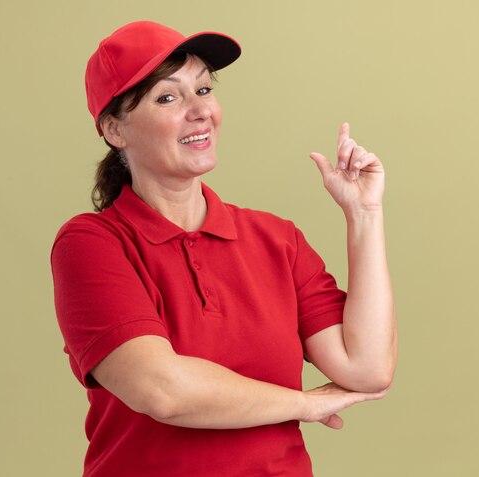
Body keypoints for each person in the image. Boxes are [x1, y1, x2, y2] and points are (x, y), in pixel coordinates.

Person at [51, 20, 397, 477]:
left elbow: (367, 368)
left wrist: (364, 215)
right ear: (115, 130)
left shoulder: (277, 239)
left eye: (204, 90)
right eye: (168, 97)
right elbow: (163, 391)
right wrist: (301, 404)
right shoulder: (92, 244)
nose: (199, 111)